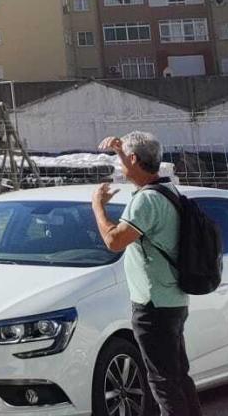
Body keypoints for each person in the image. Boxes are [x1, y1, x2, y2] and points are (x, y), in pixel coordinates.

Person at [91, 131, 200, 416]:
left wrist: (98, 208)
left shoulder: (147, 201)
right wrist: (119, 149)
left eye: (123, 159)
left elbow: (114, 241)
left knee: (163, 382)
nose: (120, 166)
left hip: (154, 306)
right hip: (173, 300)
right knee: (177, 377)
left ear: (135, 159)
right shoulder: (168, 190)